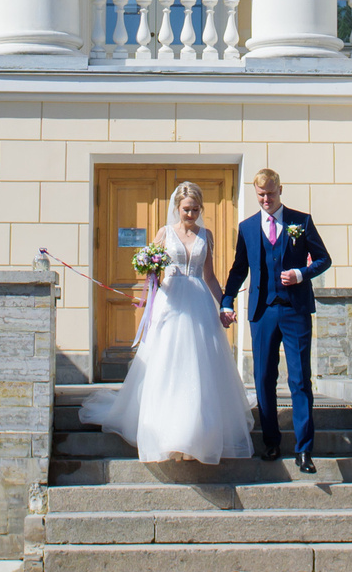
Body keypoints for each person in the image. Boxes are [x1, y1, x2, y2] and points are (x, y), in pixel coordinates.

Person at [86, 182, 254, 464]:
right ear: (177, 208)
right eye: (186, 210)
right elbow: (151, 271)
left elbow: (210, 276)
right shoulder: (165, 233)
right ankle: (168, 434)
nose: (191, 214)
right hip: (171, 302)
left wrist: (225, 304)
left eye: (195, 210)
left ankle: (197, 434)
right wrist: (148, 286)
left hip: (199, 303)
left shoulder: (206, 235)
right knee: (169, 365)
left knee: (199, 368)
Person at [218, 168, 334, 471]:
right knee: (264, 379)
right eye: (260, 195)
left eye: (270, 193)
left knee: (299, 380)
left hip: (295, 311)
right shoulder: (247, 228)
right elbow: (238, 269)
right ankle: (270, 442)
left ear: (280, 190)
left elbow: (324, 259)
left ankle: (304, 450)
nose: (266, 199)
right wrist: (227, 300)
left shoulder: (301, 221)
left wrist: (301, 273)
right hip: (262, 312)